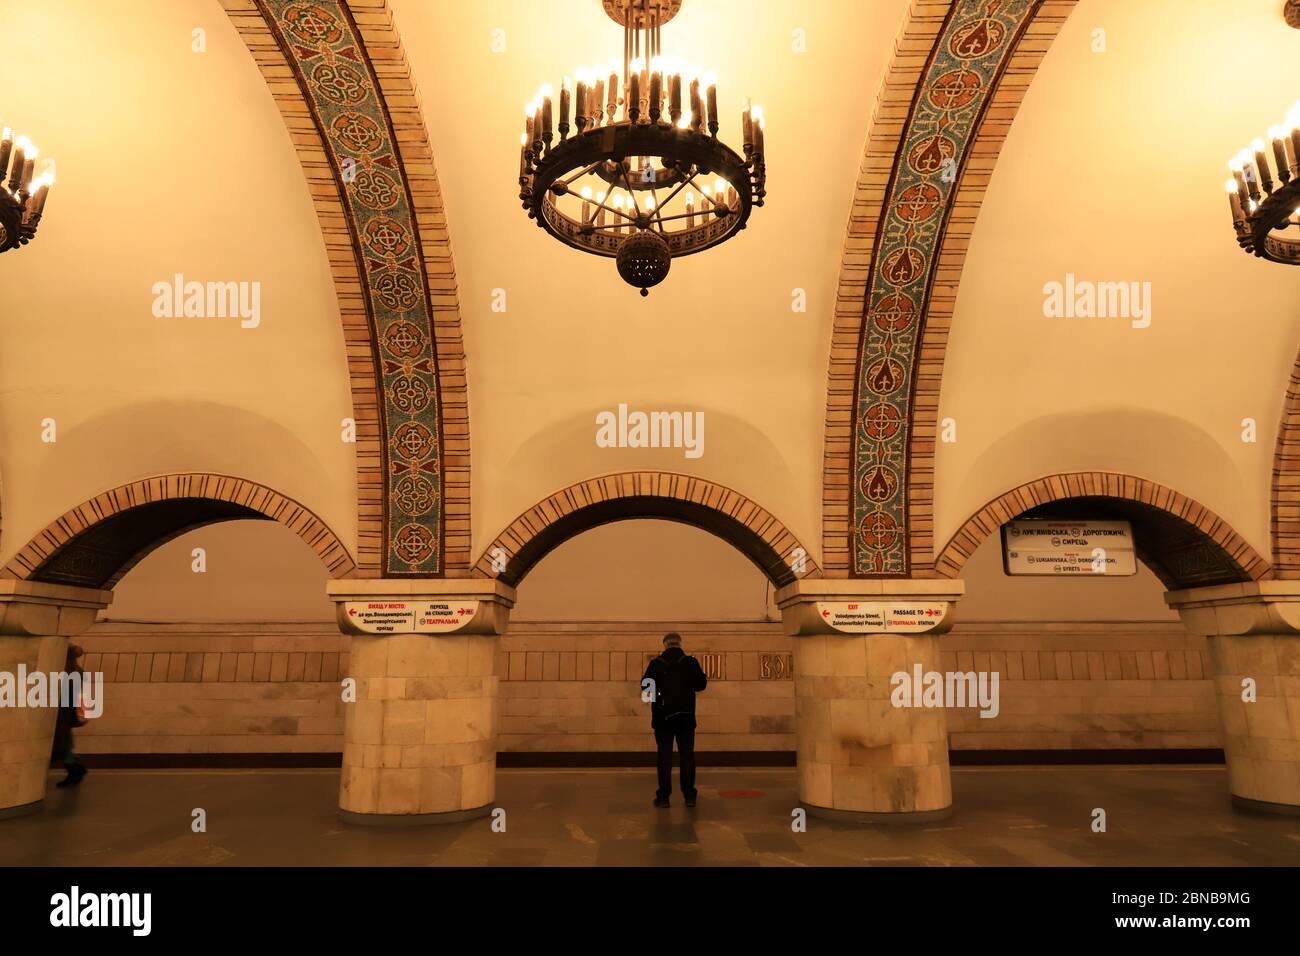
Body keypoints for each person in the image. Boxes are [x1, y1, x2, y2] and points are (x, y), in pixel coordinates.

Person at [641, 632, 707, 808]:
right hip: (685, 717)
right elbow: (701, 685)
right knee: (687, 757)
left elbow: (646, 690)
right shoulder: (690, 662)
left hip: (663, 719)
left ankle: (663, 797)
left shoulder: (656, 664)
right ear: (679, 644)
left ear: (665, 645)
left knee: (664, 757)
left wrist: (660, 701)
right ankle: (689, 796)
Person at [50, 643, 88, 788]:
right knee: (65, 742)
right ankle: (75, 770)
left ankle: (76, 770)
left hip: (62, 711)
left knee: (62, 743)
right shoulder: (77, 671)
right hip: (69, 710)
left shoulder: (64, 673)